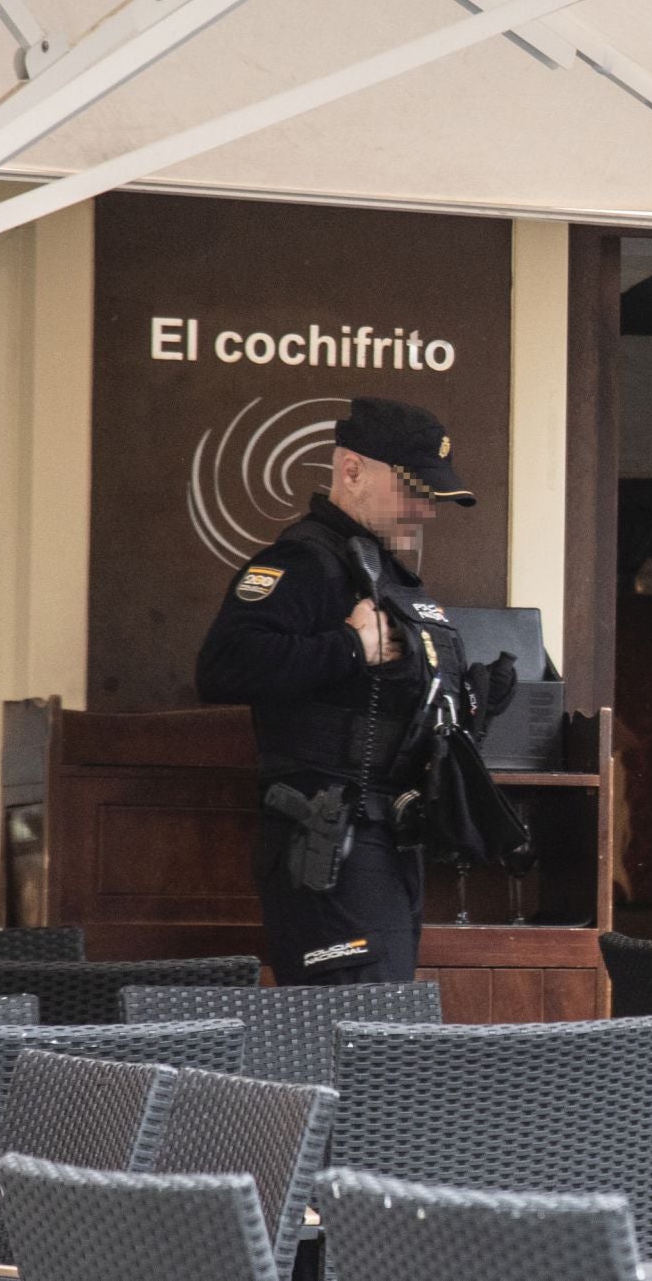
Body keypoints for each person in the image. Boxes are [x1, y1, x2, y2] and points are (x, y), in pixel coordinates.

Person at [197, 397, 504, 985]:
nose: (426, 510)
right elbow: (222, 666)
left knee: (384, 1037)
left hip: (390, 840)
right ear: (352, 471)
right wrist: (347, 647)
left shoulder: (388, 574)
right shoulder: (306, 563)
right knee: (365, 1036)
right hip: (331, 842)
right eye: (412, 488)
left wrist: (469, 704)